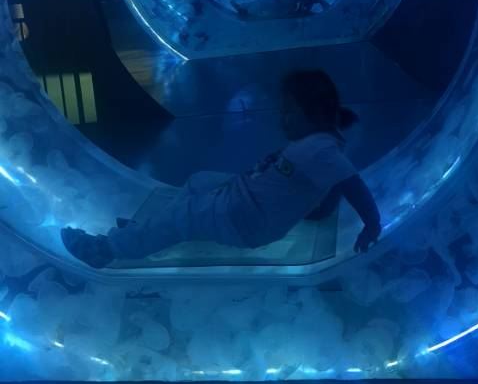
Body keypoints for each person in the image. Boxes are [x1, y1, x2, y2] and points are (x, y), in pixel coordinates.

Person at [61, 70, 381, 268]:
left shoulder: (322, 150)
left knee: (182, 216)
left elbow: (352, 185)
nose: (282, 117)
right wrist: (312, 208)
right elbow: (325, 191)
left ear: (313, 114)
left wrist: (372, 224)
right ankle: (147, 229)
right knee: (198, 181)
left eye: (288, 111)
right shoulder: (314, 144)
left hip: (244, 217)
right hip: (243, 196)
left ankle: (107, 249)